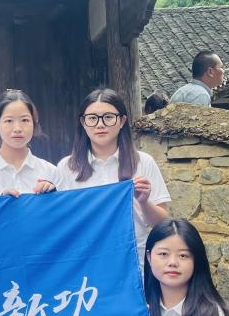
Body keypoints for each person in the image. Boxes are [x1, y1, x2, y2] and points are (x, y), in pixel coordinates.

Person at [54, 87, 171, 258]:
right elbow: (59, 222)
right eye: (92, 118)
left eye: (108, 117)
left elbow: (162, 224)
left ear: (122, 121)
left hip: (132, 259)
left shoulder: (143, 162)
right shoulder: (66, 167)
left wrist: (144, 202)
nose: (100, 124)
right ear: (83, 123)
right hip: (85, 260)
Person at [0, 88, 58, 196]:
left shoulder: (51, 171)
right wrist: (0, 201)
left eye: (25, 120)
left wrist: (51, 195)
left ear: (34, 123)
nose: (17, 128)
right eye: (9, 121)